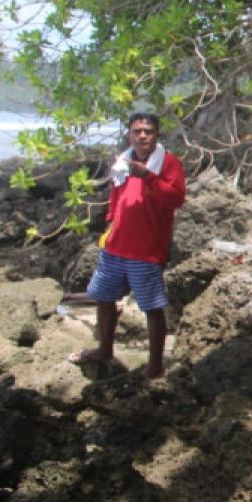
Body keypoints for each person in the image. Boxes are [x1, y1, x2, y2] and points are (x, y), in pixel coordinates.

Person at [69, 113, 186, 379]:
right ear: (130, 134)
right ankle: (104, 350)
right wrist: (110, 223)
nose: (143, 136)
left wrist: (148, 177)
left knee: (152, 307)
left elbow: (176, 199)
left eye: (148, 131)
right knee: (104, 298)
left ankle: (155, 366)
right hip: (115, 246)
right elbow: (116, 195)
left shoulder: (168, 163)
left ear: (157, 135)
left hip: (146, 251)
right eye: (137, 131)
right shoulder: (123, 161)